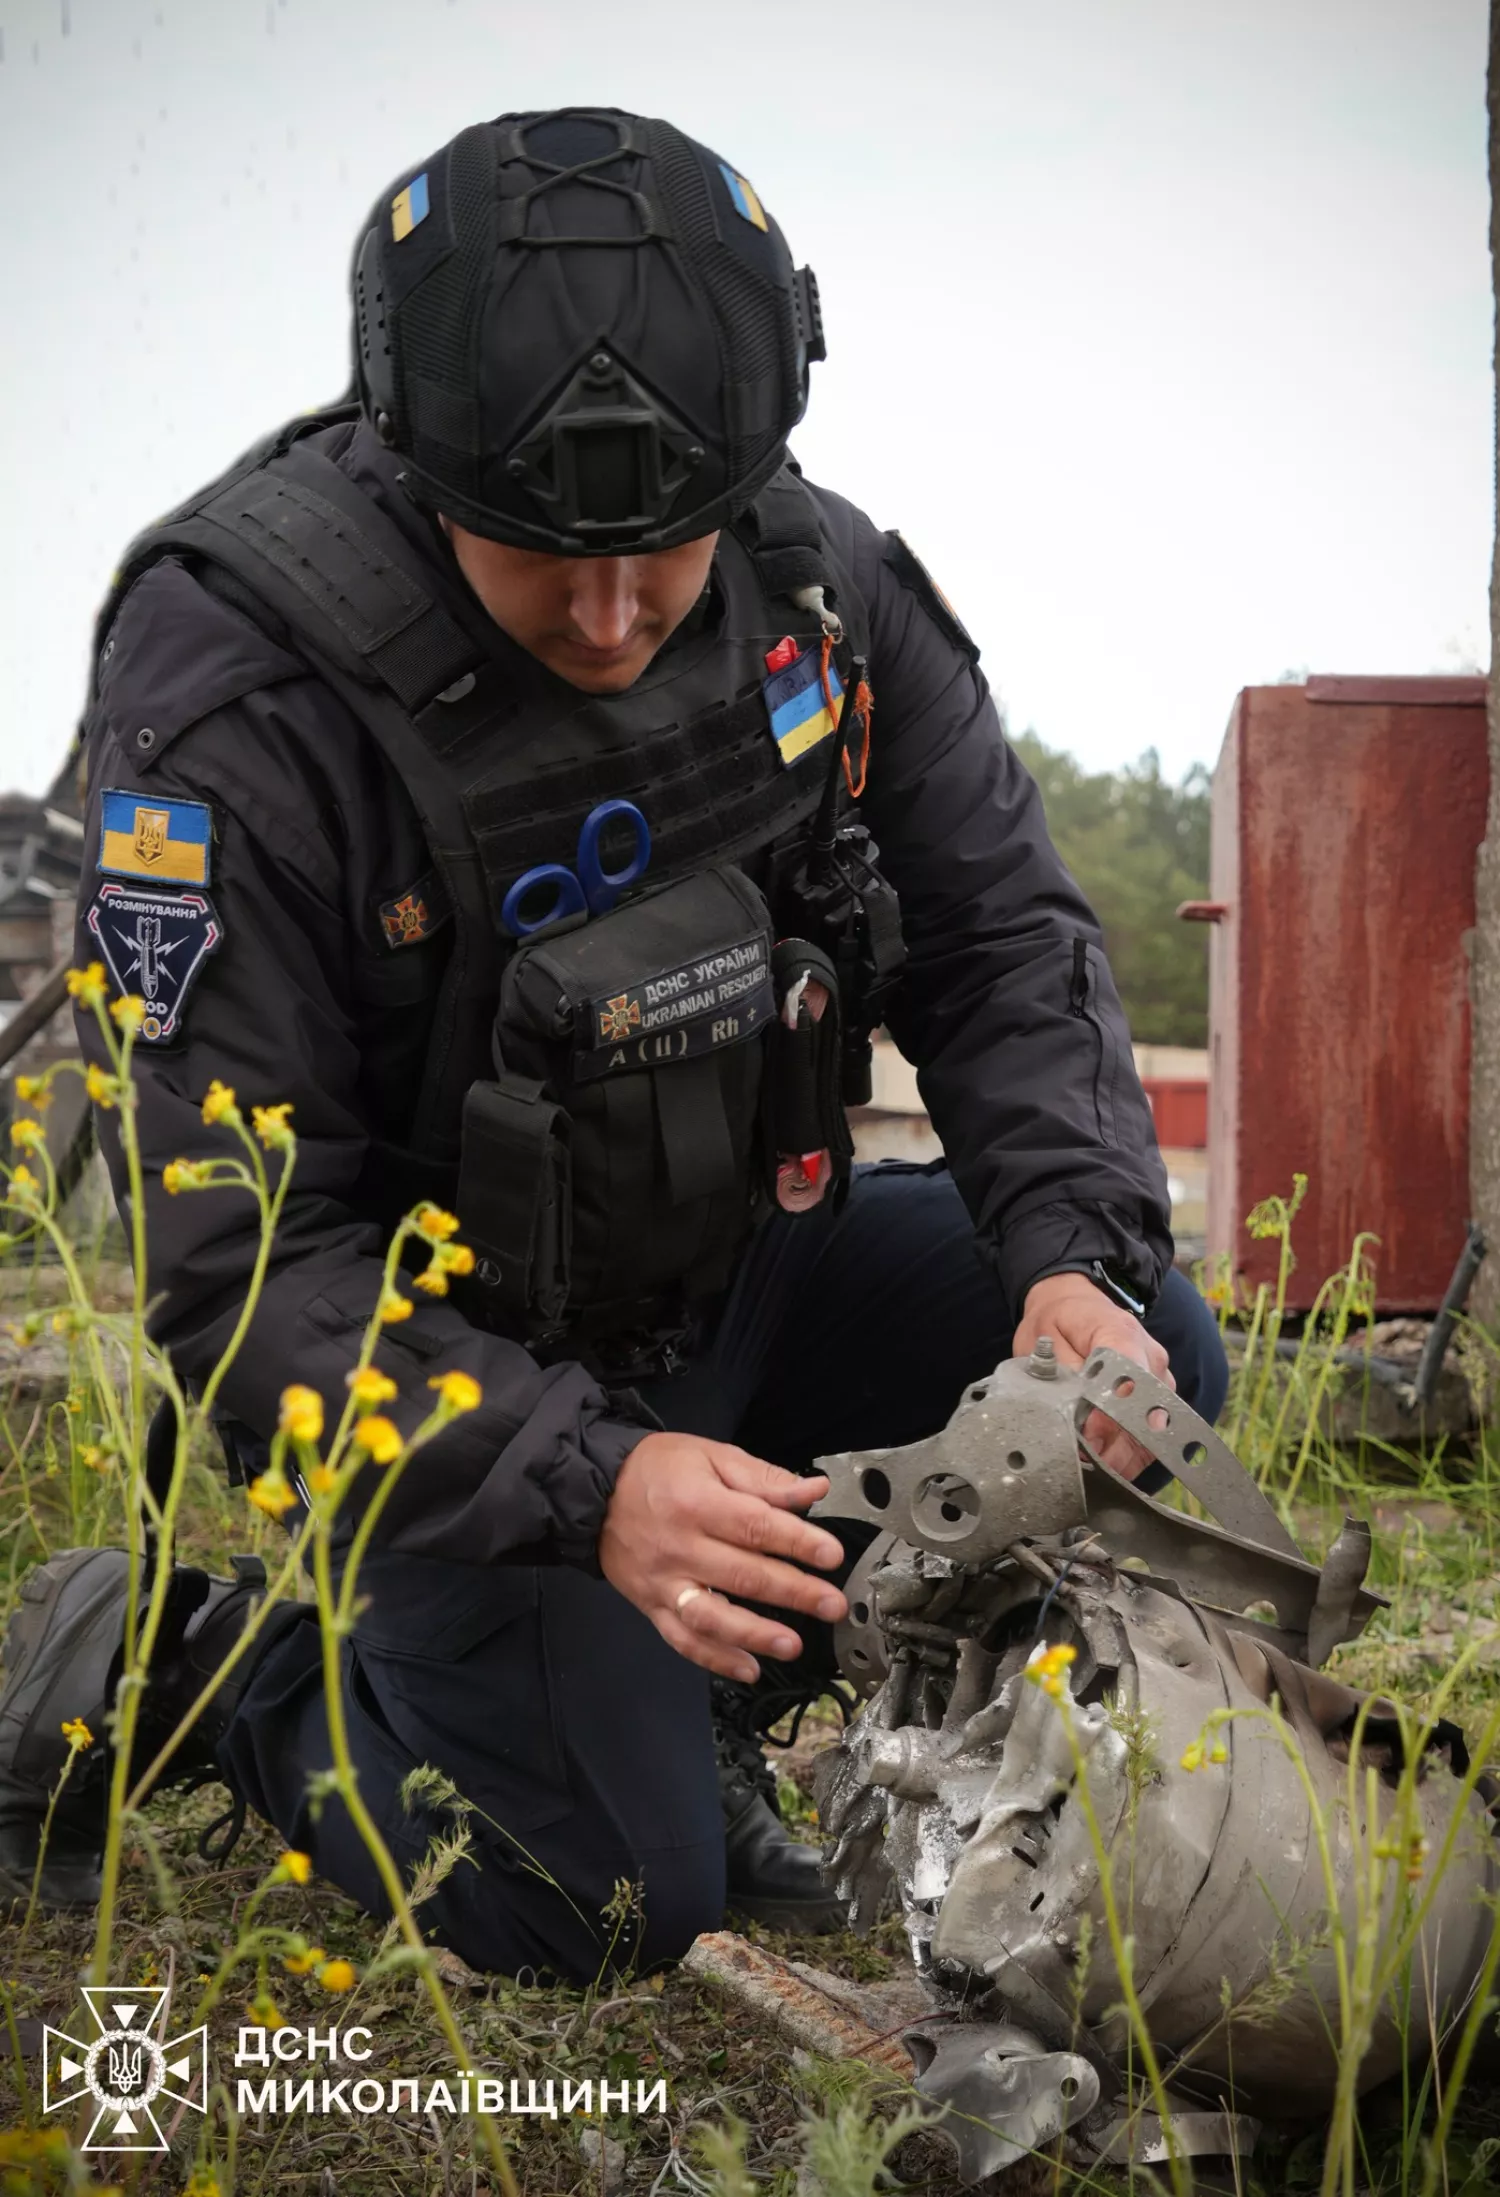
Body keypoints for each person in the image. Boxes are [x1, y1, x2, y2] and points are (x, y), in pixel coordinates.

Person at [0, 108, 1226, 1979]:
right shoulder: (248, 706)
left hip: (743, 1270)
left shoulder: (819, 586)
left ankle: (695, 1692)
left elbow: (999, 942)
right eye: (540, 557)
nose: (610, 615)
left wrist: (1074, 1255)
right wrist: (590, 1483)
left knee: (1142, 1367)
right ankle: (196, 1663)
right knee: (600, 1899)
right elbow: (250, 1277)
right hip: (454, 1380)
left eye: (662, 555)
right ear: (419, 472)